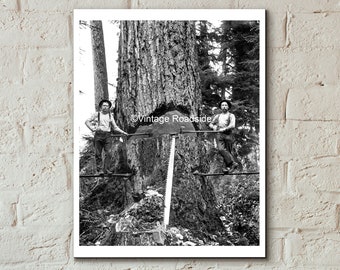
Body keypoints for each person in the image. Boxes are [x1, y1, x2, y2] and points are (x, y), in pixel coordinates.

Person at [85, 99, 128, 174]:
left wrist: (123, 132)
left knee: (109, 153)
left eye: (107, 106)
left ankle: (106, 169)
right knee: (98, 154)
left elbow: (115, 127)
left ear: (109, 107)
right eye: (104, 105)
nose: (105, 107)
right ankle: (99, 171)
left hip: (107, 135)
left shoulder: (110, 116)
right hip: (98, 135)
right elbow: (87, 121)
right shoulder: (97, 114)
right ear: (101, 106)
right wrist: (92, 128)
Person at [209, 100, 238, 172]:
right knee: (221, 150)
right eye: (222, 105)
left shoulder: (231, 115)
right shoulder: (217, 116)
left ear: (228, 107)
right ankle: (232, 163)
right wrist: (213, 127)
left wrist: (225, 129)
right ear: (220, 107)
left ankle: (226, 168)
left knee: (227, 151)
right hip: (219, 134)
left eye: (225, 105)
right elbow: (211, 124)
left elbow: (232, 125)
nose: (224, 106)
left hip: (228, 134)